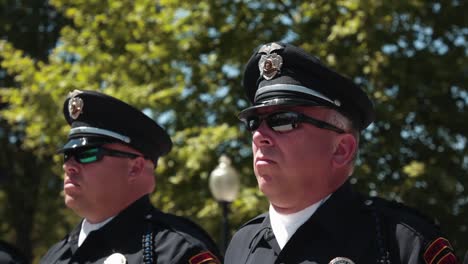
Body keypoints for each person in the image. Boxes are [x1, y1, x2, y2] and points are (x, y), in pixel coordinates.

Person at [224, 42, 460, 264]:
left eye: (283, 120)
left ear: (341, 149)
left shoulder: (401, 243)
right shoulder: (241, 245)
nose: (259, 135)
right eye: (254, 122)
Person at [40, 90, 221, 264]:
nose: (69, 166)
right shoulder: (55, 256)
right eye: (67, 155)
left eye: (86, 153)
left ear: (135, 168)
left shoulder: (177, 250)